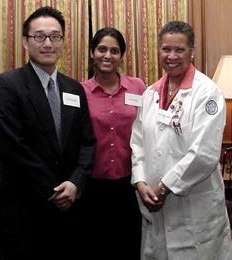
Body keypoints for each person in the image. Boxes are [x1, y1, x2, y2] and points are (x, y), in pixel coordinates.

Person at [0, 6, 95, 260]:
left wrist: (75, 184)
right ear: (26, 41)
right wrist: (54, 190)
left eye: (55, 36)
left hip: (69, 209)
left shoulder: (74, 88)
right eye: (39, 36)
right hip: (24, 210)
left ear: (63, 41)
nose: (48, 43)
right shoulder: (7, 85)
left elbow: (87, 142)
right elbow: (13, 147)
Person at [130, 20, 232, 260]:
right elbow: (137, 143)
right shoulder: (150, 94)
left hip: (194, 210)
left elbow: (204, 154)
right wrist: (140, 181)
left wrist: (164, 188)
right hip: (153, 204)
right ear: (158, 51)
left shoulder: (207, 93)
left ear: (192, 51)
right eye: (166, 49)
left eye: (180, 49)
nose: (172, 56)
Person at [81, 27, 145, 260]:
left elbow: (147, 131)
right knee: (96, 246)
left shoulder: (138, 87)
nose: (107, 55)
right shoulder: (80, 91)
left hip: (130, 184)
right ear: (92, 53)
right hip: (92, 186)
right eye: (102, 49)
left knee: (129, 246)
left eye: (114, 51)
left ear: (121, 56)